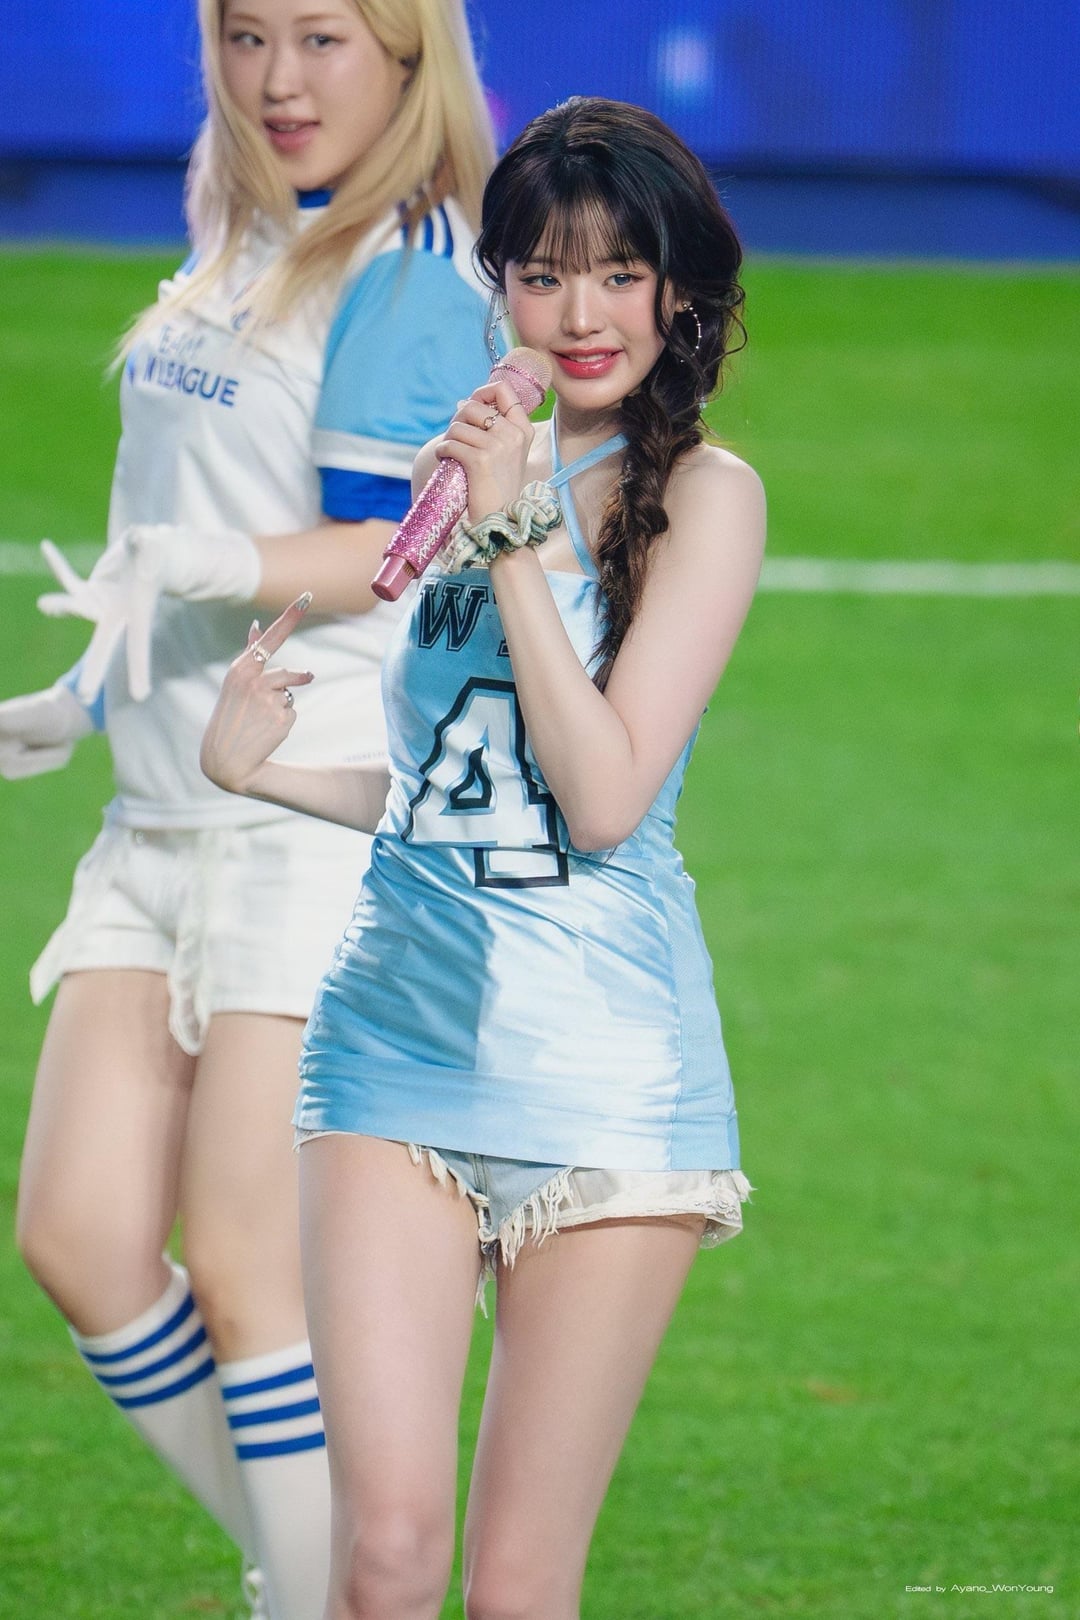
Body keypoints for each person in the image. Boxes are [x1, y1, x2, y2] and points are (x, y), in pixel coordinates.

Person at [200, 96, 765, 1620]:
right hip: (388, 1044)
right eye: (541, 275)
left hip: (604, 1079)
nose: (579, 316)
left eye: (618, 275)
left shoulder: (709, 499)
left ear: (676, 291)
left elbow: (602, 797)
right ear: (498, 286)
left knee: (516, 1589)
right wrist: (267, 772)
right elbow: (455, 786)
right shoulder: (461, 468)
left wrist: (513, 538)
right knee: (382, 1560)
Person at [5, 3, 495, 1616]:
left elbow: (391, 545)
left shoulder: (409, 269)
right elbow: (168, 507)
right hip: (154, 822)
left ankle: (328, 1592)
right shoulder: (241, 230)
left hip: (301, 818)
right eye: (245, 35)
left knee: (248, 1275)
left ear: (408, 56)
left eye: (324, 39)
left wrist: (213, 568)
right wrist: (86, 694)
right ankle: (337, 1579)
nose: (277, 80)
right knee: (79, 1242)